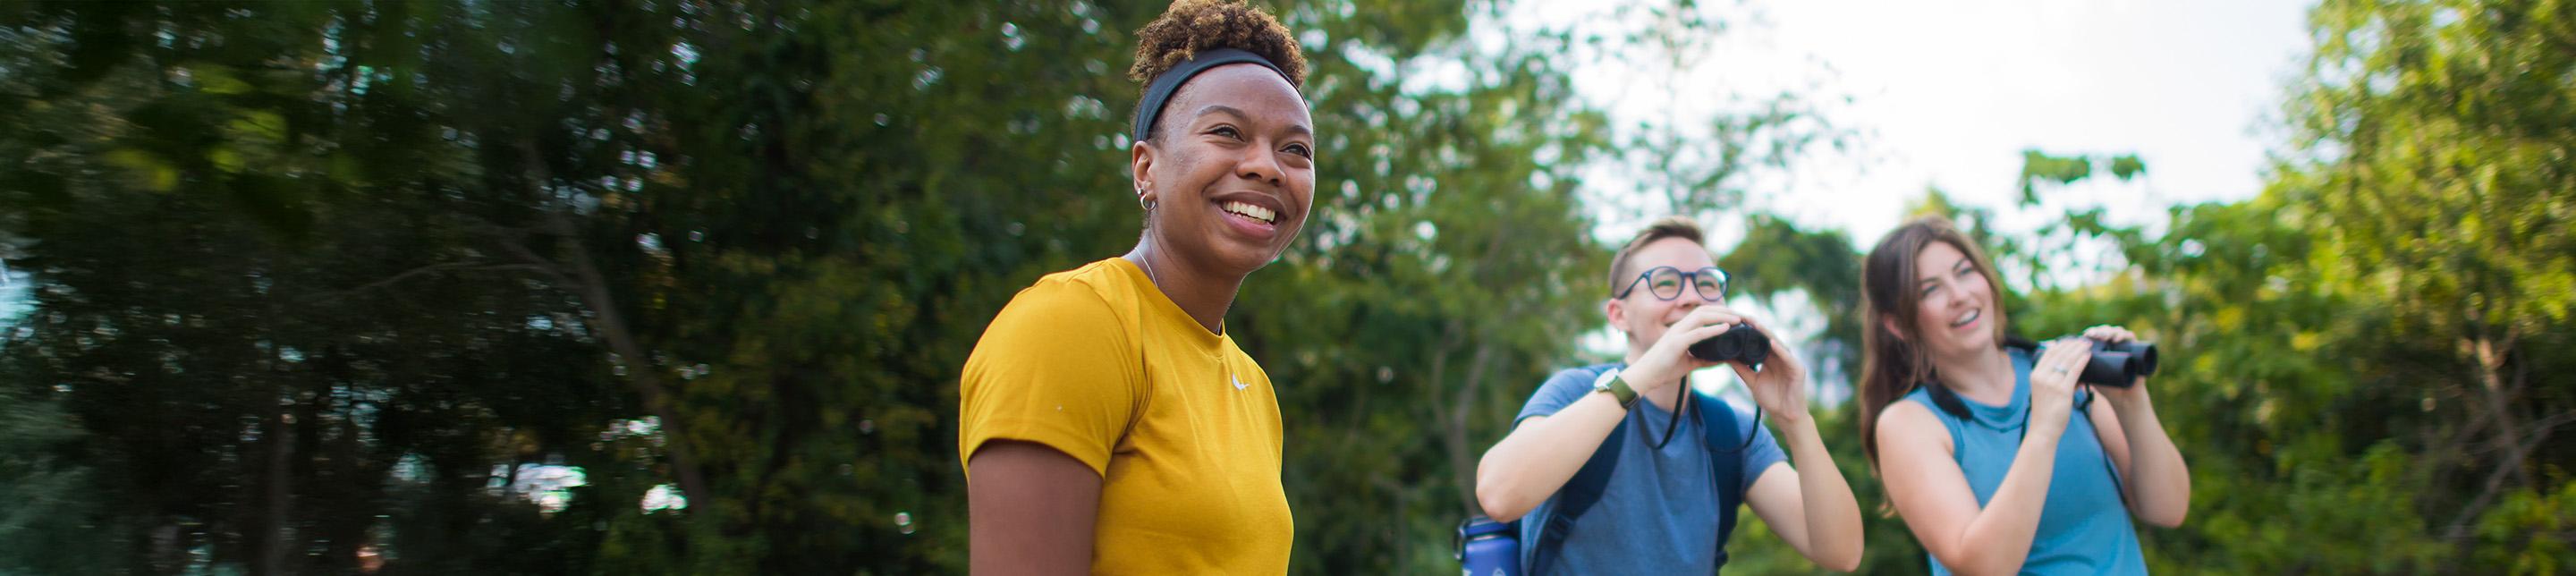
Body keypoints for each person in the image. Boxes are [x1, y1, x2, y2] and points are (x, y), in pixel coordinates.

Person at [955, 1, 1315, 573]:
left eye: (1295, 149)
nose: (1267, 167)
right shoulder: (1074, 324)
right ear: (1146, 169)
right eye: (1227, 132)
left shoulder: (1254, 387)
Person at [1475, 216, 1866, 573]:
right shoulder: (1577, 393)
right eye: (1666, 282)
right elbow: (1499, 495)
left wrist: (1796, 420)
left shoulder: (1729, 432)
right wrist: (1644, 375)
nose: (1692, 297)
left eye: (1708, 283)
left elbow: (1840, 553)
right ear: (1618, 314)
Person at [1857, 216, 2191, 575]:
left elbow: (2168, 509)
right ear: (1898, 324)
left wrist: (2132, 404)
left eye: (1965, 272)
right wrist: (2043, 429)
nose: (1960, 295)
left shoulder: (2064, 372)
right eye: (1930, 290)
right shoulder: (1908, 424)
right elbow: (1984, 568)